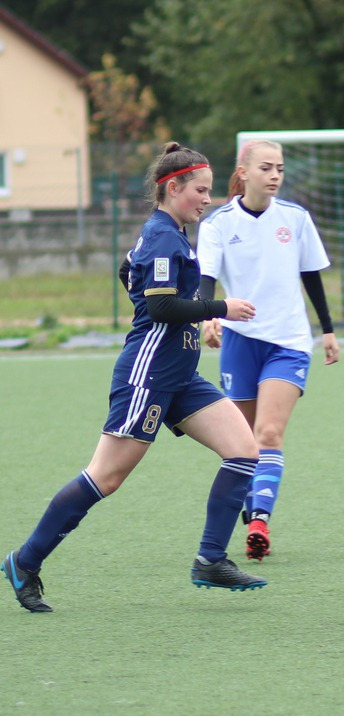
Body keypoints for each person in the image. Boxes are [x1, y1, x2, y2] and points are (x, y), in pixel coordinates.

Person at [2, 143, 265, 613]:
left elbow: (129, 270)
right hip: (149, 375)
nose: (208, 199)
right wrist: (219, 308)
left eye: (210, 191)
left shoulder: (168, 234)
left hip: (180, 376)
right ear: (173, 187)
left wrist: (175, 310)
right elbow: (161, 307)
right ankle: (24, 561)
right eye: (201, 190)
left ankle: (210, 559)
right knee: (105, 477)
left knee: (244, 450)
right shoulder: (164, 237)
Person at [198, 139, 338, 561]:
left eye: (279, 168)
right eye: (266, 168)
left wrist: (328, 329)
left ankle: (259, 520)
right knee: (242, 443)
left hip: (290, 342)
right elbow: (206, 278)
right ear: (243, 172)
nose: (275, 175)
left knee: (270, 433)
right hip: (240, 342)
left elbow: (311, 275)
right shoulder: (219, 224)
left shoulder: (295, 218)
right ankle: (252, 506)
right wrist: (207, 317)